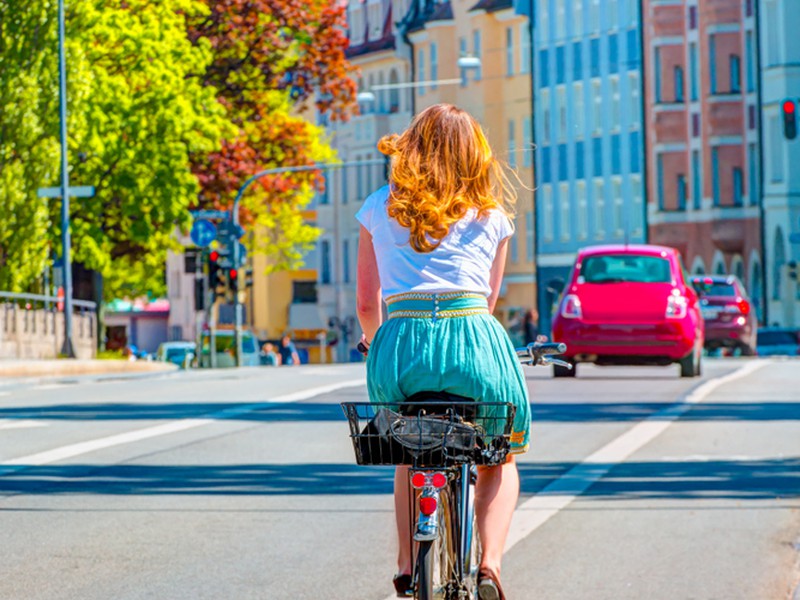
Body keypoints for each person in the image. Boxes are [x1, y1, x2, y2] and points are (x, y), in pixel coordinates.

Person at [355, 103, 530, 600]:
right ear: (476, 155)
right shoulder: (492, 216)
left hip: (400, 352)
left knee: (409, 450)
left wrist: (376, 341)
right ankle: (490, 564)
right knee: (500, 454)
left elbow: (368, 302)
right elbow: (489, 302)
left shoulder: (378, 206)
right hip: (472, 344)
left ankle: (409, 564)